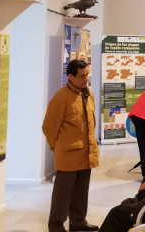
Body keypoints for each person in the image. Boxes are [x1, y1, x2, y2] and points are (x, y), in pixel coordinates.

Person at [42, 60, 99, 232]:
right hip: (68, 155)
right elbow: (49, 127)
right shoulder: (61, 97)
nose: (86, 78)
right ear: (71, 77)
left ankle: (78, 222)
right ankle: (56, 226)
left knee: (81, 191)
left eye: (87, 74)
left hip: (86, 152)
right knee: (62, 194)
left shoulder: (88, 94)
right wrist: (57, 148)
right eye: (82, 76)